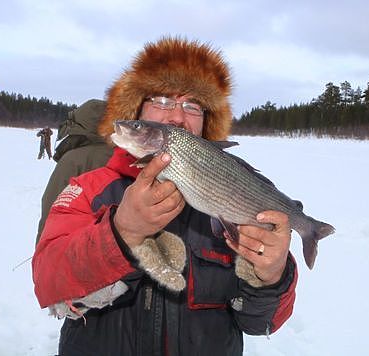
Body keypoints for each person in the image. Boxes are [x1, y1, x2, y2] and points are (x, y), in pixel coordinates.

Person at [32, 37, 297, 356]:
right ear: (138, 110)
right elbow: (49, 283)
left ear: (205, 122)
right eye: (161, 100)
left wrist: (273, 277)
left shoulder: (234, 199)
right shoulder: (91, 187)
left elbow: (260, 324)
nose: (176, 116)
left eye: (192, 105)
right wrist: (121, 231)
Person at [35, 99, 113, 244]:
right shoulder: (124, 157)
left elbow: (51, 207)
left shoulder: (73, 160)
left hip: (72, 248)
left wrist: (42, 249)